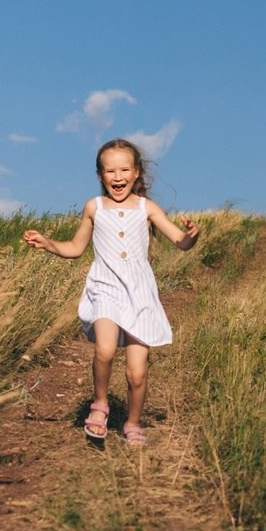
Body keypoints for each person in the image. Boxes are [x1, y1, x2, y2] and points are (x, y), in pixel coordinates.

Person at [23, 138, 200, 443]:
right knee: (104, 350)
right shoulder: (95, 207)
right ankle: (100, 405)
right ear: (100, 175)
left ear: (136, 173)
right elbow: (77, 248)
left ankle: (132, 423)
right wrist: (49, 244)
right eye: (110, 171)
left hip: (140, 295)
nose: (117, 177)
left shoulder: (147, 208)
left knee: (137, 373)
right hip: (105, 288)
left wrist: (192, 236)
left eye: (124, 170)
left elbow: (180, 241)